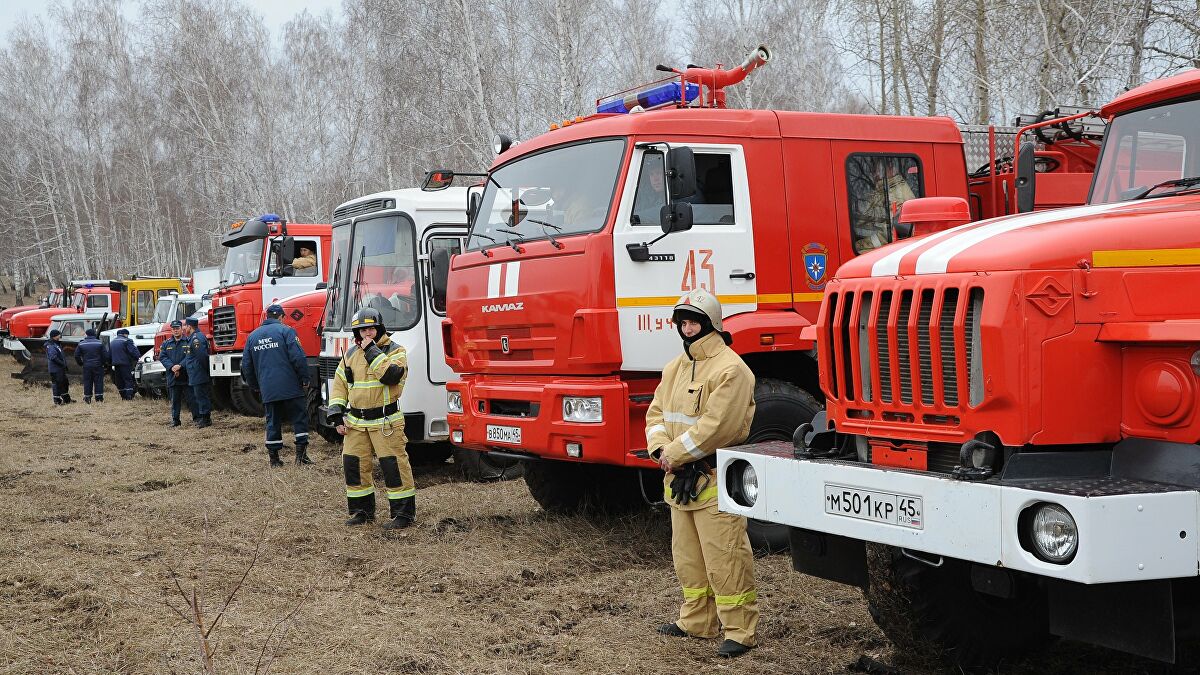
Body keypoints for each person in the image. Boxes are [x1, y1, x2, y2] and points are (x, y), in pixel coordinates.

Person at [646, 288, 759, 659]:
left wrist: (674, 454)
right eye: (682, 320)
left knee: (725, 558)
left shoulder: (731, 369)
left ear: (711, 323)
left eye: (694, 320)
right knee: (688, 559)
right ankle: (697, 621)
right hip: (680, 480)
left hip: (712, 478)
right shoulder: (674, 367)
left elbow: (717, 427)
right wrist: (661, 449)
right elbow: (656, 414)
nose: (688, 326)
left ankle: (739, 631)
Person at [326, 308, 413, 529]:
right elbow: (339, 386)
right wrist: (336, 414)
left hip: (386, 422)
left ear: (379, 329)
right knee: (354, 466)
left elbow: (391, 376)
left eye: (371, 329)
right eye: (363, 330)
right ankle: (361, 512)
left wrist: (372, 351)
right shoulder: (350, 354)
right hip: (356, 423)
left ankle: (403, 515)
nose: (367, 333)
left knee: (394, 467)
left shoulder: (396, 351)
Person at [241, 304, 312, 467]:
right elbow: (298, 357)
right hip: (291, 386)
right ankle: (301, 457)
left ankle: (274, 459)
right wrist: (305, 378)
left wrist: (255, 385)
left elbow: (246, 365)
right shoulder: (286, 331)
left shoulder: (253, 336)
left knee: (272, 421)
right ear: (281, 317)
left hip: (268, 388)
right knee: (299, 418)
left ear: (267, 317)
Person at [854, 162, 917, 255]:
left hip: (891, 252)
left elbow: (891, 231)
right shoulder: (882, 190)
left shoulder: (898, 193)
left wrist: (862, 245)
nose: (875, 174)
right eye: (874, 171)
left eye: (878, 170)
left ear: (891, 169)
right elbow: (865, 218)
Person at [159, 320, 194, 427]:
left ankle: (197, 418)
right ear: (171, 330)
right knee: (175, 401)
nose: (176, 330)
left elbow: (190, 356)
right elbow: (163, 357)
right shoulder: (166, 343)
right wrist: (172, 367)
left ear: (181, 329)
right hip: (173, 376)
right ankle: (175, 421)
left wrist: (180, 365)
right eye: (173, 329)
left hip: (186, 376)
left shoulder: (188, 341)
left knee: (192, 399)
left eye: (177, 328)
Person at [181, 317, 212, 428]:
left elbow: (202, 357)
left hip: (199, 372)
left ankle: (205, 419)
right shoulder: (192, 338)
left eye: (185, 326)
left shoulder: (196, 339)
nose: (184, 328)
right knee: (198, 396)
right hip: (195, 373)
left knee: (201, 395)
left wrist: (204, 370)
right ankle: (203, 417)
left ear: (190, 326)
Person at [75, 328, 109, 403]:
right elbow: (105, 355)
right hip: (98, 365)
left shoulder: (81, 344)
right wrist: (103, 363)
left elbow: (76, 355)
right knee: (99, 381)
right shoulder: (100, 343)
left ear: (86, 334)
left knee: (87, 381)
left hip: (87, 366)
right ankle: (99, 398)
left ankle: (87, 398)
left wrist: (81, 363)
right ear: (94, 334)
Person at [110, 328, 141, 400]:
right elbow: (133, 351)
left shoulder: (112, 342)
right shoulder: (127, 341)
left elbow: (109, 355)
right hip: (125, 364)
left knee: (119, 380)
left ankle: (123, 396)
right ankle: (129, 396)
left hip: (116, 364)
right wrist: (139, 358)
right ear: (125, 334)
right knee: (128, 379)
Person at [46, 329, 72, 405]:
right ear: (54, 336)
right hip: (55, 369)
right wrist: (62, 364)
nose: (60, 336)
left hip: (60, 369)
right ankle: (57, 400)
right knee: (57, 384)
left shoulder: (56, 344)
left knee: (64, 383)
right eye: (58, 335)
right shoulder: (50, 345)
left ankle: (66, 399)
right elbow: (53, 357)